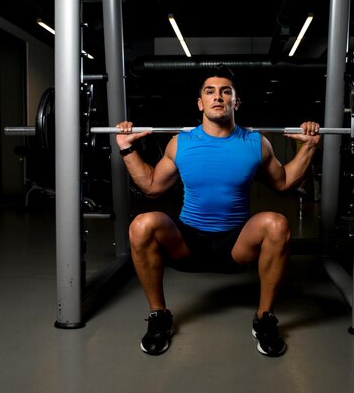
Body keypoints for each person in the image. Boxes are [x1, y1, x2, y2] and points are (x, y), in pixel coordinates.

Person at [115, 64, 321, 357]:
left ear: (236, 102)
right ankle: (158, 315)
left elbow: (285, 181)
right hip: (187, 243)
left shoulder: (255, 142)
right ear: (200, 103)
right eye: (210, 92)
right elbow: (151, 186)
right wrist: (126, 148)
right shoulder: (181, 142)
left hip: (236, 244)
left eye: (226, 92)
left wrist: (309, 147)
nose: (218, 97)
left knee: (277, 223)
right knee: (141, 224)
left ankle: (264, 318)